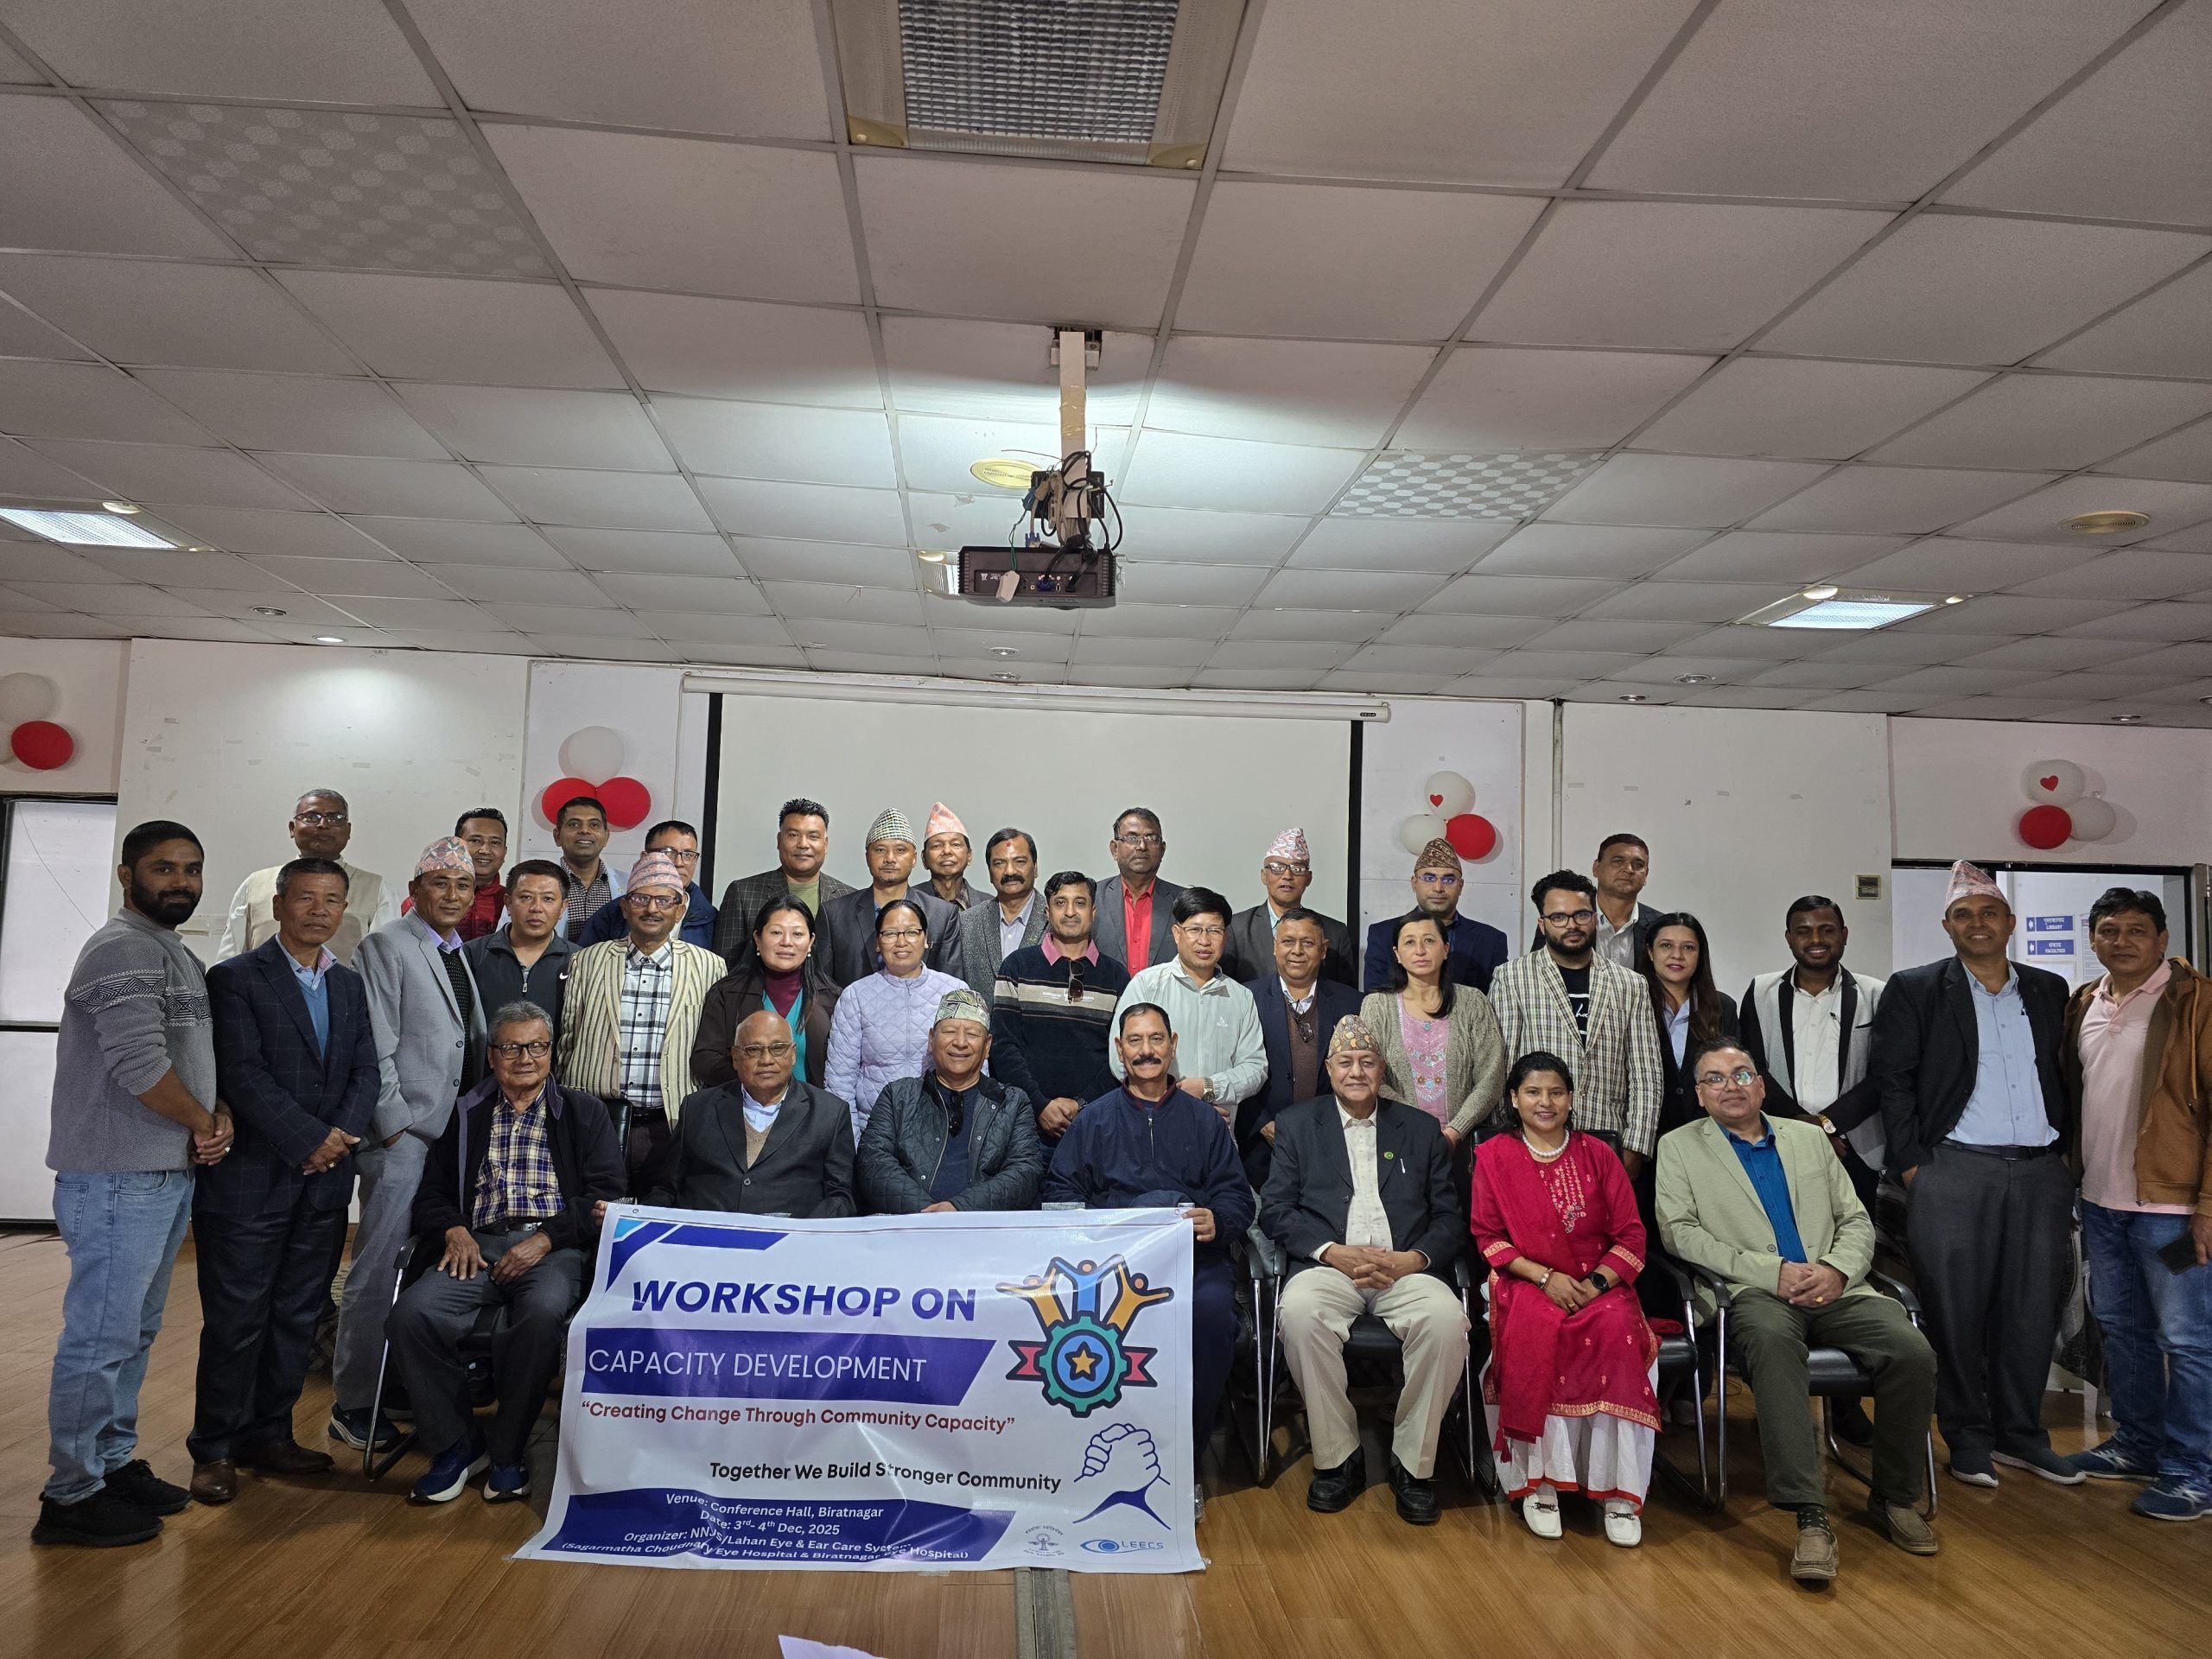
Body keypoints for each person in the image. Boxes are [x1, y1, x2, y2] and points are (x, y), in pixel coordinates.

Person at [1658, 1039, 1940, 1582]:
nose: (1731, 1086)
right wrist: (1772, 1273)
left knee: (1912, 1351)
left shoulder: (1809, 1139)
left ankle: (1895, 1496)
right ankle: (1810, 1513)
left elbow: (1855, 1220)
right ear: (1700, 1095)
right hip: (1751, 1292)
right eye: (1715, 1079)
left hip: (1837, 1289)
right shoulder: (1678, 1147)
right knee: (1773, 1345)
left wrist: (1836, 1270)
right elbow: (1680, 1234)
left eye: (1742, 1074)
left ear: (1762, 1086)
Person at [35, 821, 232, 1549]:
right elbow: (139, 1063)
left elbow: (189, 1059)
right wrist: (203, 1122)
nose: (180, 881)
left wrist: (215, 1113)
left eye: (191, 868)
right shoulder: (123, 947)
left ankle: (111, 1463)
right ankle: (70, 1493)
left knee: (133, 1332)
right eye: (163, 868)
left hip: (158, 1170)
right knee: (101, 1337)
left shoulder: (170, 950)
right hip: (117, 1174)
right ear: (127, 876)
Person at [1873, 859, 2076, 1490]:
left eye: (1989, 913)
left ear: (2010, 922)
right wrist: (1914, 1165)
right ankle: (1966, 1436)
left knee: (2033, 1305)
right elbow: (1893, 1081)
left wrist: (2068, 1157)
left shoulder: (2049, 990)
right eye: (1963, 915)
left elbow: (2069, 1074)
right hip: (1953, 1169)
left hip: (2040, 1170)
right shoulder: (1916, 988)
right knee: (1955, 1309)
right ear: (1947, 926)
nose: (1977, 924)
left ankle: (2022, 1433)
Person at [190, 857, 379, 1506]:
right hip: (251, 1180)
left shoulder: (348, 984)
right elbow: (241, 1073)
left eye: (332, 900)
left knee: (298, 1316)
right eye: (306, 898)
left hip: (323, 1184)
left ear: (344, 909)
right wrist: (310, 1140)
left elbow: (366, 1072)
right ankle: (214, 1448)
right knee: (236, 1319)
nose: (319, 910)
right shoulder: (235, 979)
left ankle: (269, 1434)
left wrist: (339, 1137)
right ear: (278, 905)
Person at [391, 1001, 624, 1504]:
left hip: (551, 1248)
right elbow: (432, 1193)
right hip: (475, 1246)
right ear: (492, 1055)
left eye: (537, 1046)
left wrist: (545, 1240)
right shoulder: (465, 1113)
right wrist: (453, 1229)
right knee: (411, 1314)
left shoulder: (583, 1112)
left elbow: (606, 1194)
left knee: (540, 1314)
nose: (526, 1058)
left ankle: (507, 1451)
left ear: (551, 1052)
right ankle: (455, 1445)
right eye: (512, 1048)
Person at [1261, 1016, 1468, 1526]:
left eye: (1367, 1062)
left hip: (1405, 1269)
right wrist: (1332, 1251)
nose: (1356, 1072)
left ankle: (1412, 1465)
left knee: (1446, 1321)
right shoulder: (1297, 1125)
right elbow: (1276, 1209)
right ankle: (1339, 1459)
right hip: (1331, 1267)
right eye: (1346, 1062)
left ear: (1382, 1070)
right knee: (1300, 1312)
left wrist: (1412, 1260)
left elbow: (1449, 1218)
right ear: (1329, 1069)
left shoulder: (1420, 1129)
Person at [1046, 1003, 1254, 1510]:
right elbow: (1059, 1196)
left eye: (1155, 1039)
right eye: (1135, 1041)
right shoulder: (1093, 1120)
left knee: (1211, 1315)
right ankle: (1087, 1462)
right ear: (1120, 1050)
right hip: (1109, 1271)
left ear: (1172, 1044)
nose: (1146, 1051)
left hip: (1194, 1262)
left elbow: (1236, 1196)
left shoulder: (1205, 1121)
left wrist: (1217, 1220)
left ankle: (1184, 1461)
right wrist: (1098, 1234)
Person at [329, 836, 486, 1454]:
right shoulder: (386, 945)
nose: (452, 894)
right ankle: (353, 1403)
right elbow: (375, 1042)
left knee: (420, 1267)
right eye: (439, 883)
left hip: (446, 1135)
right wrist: (394, 1124)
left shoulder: (455, 950)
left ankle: (396, 1387)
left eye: (463, 885)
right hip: (404, 1136)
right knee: (377, 1269)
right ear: (415, 890)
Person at [2060, 887, 2212, 1518]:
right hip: (2102, 1203)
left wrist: (2208, 1208)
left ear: (2162, 940)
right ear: (2093, 939)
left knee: (2187, 1339)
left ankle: (2195, 1471)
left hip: (2172, 1212)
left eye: (2136, 931)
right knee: (2123, 1329)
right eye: (2109, 930)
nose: (2121, 941)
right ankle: (2138, 1446)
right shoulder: (2084, 1002)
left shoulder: (2197, 1002)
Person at [1472, 1052, 1658, 1547]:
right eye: (1533, 1092)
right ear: (1514, 1099)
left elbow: (1631, 1236)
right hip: (1525, 1281)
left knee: (1614, 1329)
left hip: (1598, 1282)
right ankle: (1542, 1484)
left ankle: (1618, 1491)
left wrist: (1594, 1285)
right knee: (1536, 1329)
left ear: (1572, 1099)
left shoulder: (1598, 1154)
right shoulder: (1493, 1157)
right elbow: (1488, 1238)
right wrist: (1544, 1277)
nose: (1546, 1102)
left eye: (1556, 1092)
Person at [555, 849, 727, 1192]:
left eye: (664, 900)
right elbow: (568, 1040)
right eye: (641, 898)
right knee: (592, 1213)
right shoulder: (587, 961)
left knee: (660, 1215)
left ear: (680, 909)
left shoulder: (710, 966)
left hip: (672, 1123)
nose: (652, 909)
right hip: (596, 1121)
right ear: (624, 906)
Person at [1489, 870, 1664, 1174]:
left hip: (1607, 1141)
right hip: (1533, 1140)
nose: (1572, 925)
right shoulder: (1512, 977)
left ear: (1594, 918)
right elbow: (1501, 1066)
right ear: (1542, 924)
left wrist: (1635, 1147)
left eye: (1581, 914)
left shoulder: (1630, 984)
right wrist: (1507, 1137)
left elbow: (1646, 1073)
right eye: (1558, 917)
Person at [1738, 895, 1888, 1213]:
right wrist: (1803, 1127)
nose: (1816, 939)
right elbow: (1752, 1067)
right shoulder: (1761, 991)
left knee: (1855, 1236)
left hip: (1853, 1147)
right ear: (1789, 938)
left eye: (1826, 930)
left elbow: (1884, 1074)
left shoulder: (1876, 993)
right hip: (1779, 1140)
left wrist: (1827, 1124)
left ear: (1844, 934)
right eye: (1804, 931)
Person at [649, 1009, 857, 1216]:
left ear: (793, 1054)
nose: (766, 1060)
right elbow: (667, 1190)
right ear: (735, 1057)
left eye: (778, 1048)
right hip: (704, 1233)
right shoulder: (697, 1108)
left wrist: (801, 1231)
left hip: (791, 1235)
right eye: (753, 1050)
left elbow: (840, 1198)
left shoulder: (829, 1113)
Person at [856, 988, 1044, 1214]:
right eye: (950, 1031)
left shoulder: (1012, 1103)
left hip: (983, 1228)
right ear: (931, 1040)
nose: (960, 1042)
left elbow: (1025, 1172)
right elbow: (873, 1162)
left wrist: (959, 1209)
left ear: (987, 1046)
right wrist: (928, 1212)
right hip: (909, 1224)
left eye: (972, 1034)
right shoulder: (898, 1096)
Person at [990, 871, 1131, 1150]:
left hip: (1096, 1125)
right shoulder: (1016, 967)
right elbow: (1003, 1046)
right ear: (1047, 912)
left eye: (1080, 903)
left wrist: (1082, 1104)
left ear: (1093, 912)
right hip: (1026, 1126)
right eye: (1060, 903)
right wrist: (1040, 1105)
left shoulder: (1116, 976)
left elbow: (1121, 1053)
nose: (1070, 912)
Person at [1109, 887, 1268, 1129]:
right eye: (1195, 929)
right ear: (1176, 933)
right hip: (1154, 1126)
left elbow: (1255, 1067)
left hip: (1219, 1129)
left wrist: (1208, 1088)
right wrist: (1178, 1105)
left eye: (1214, 930)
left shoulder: (1240, 997)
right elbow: (1120, 1057)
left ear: (1225, 936)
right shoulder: (1147, 985)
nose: (1204, 941)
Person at [1358, 911, 1507, 1156]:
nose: (1420, 950)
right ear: (1397, 954)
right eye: (1409, 942)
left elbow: (1491, 1077)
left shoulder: (1472, 1001)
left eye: (1429, 940)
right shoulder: (1377, 1006)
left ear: (1446, 949)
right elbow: (1372, 1077)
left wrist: (1455, 1132)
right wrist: (1419, 1128)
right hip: (1398, 1140)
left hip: (1464, 1145)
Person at [823, 898, 967, 1141]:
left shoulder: (955, 992)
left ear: (926, 938)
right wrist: (853, 1145)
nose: (901, 942)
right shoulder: (855, 996)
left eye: (911, 932)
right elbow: (840, 1080)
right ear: (878, 943)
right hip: (875, 1131)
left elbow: (975, 1070)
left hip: (941, 1130)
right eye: (890, 933)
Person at [1243, 908, 1362, 1185]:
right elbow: (1233, 1066)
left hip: (1333, 1147)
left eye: (1308, 943)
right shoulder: (1247, 997)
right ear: (1275, 946)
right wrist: (1262, 1124)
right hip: (1261, 1150)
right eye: (1288, 941)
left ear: (1323, 950)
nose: (1297, 951)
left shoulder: (1352, 1003)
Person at [217, 787, 397, 963]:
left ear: (348, 830)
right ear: (292, 828)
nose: (323, 825)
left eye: (335, 818)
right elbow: (229, 959)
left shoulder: (376, 889)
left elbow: (384, 965)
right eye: (311, 817)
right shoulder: (255, 884)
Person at [693, 896, 842, 1090]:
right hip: (741, 1104)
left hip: (812, 1107)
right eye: (776, 932)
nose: (786, 942)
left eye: (797, 934)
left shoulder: (832, 998)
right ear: (757, 938)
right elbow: (705, 1059)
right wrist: (758, 1085)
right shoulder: (726, 993)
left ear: (811, 942)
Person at [820, 809, 961, 986]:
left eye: (900, 850)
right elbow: (822, 986)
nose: (890, 858)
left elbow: (951, 988)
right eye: (880, 850)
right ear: (867, 857)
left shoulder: (942, 914)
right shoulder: (834, 914)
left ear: (914, 858)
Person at [711, 796, 855, 963]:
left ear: (826, 844)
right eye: (793, 835)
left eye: (813, 836)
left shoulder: (849, 898)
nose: (803, 844)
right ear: (779, 841)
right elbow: (724, 966)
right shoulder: (742, 893)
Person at [1638, 912, 1738, 1145]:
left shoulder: (1722, 1007)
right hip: (1645, 1141)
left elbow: (1731, 1075)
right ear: (1650, 952)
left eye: (1688, 948)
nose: (1677, 955)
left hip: (1710, 1138)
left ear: (1700, 955)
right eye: (1666, 945)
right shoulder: (1631, 1003)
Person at [1361, 837, 1508, 995]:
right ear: (1414, 883)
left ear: (1460, 886)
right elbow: (1376, 998)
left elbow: (1497, 1000)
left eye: (1448, 879)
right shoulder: (1383, 934)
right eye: (1429, 878)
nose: (1438, 888)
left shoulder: (1490, 940)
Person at [1223, 827, 1355, 987]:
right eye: (1277, 868)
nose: (1287, 876)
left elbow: (1347, 994)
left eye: (1297, 869)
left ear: (1309, 878)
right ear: (1264, 876)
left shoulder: (1335, 932)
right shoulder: (1237, 928)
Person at [463, 859, 575, 1044]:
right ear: (508, 902)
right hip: (485, 1062)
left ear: (563, 907)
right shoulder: (472, 955)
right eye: (525, 897)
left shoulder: (578, 961)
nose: (536, 908)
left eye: (548, 899)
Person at [575, 819, 717, 949]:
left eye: (688, 854)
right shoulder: (612, 913)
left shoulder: (710, 918)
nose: (679, 863)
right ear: (645, 858)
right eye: (668, 852)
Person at [952, 827, 1046, 999]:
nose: (1010, 871)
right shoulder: (967, 922)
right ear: (990, 872)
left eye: (1019, 861)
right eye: (999, 863)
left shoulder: (1055, 920)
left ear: (1035, 867)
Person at [1094, 807, 1183, 976]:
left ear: (1162, 850)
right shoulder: (1092, 897)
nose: (1142, 846)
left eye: (1151, 838)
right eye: (1132, 838)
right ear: (1115, 849)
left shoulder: (1184, 902)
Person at [550, 794, 621, 938]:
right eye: (574, 824)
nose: (584, 830)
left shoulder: (628, 885)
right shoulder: (536, 884)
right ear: (557, 836)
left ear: (606, 837)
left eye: (594, 825)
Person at [1591, 833, 1662, 971]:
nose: (1629, 870)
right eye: (1618, 861)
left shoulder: (1660, 926)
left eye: (1638, 865)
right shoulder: (1568, 920)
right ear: (1596, 868)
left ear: (1646, 875)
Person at [448, 807, 509, 942]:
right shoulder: (429, 897)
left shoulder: (513, 902)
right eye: (475, 841)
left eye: (495, 843)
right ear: (456, 847)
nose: (485, 850)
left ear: (504, 852)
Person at [921, 801, 984, 910]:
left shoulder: (989, 904)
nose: (947, 851)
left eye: (956, 844)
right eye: (937, 846)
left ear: (969, 855)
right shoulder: (908, 901)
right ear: (924, 859)